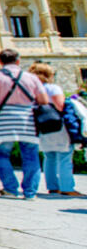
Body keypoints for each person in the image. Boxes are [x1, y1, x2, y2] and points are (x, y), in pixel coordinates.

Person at [0, 49, 48, 199]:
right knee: (31, 156)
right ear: (18, 60)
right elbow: (43, 100)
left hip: (4, 121)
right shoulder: (31, 77)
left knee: (2, 155)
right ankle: (30, 192)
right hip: (28, 121)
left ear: (0, 61)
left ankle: (10, 189)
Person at [30, 63, 79, 197]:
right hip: (57, 125)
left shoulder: (31, 90)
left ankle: (53, 187)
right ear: (48, 75)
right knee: (64, 156)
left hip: (42, 126)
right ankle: (67, 187)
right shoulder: (52, 88)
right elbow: (60, 105)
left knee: (49, 156)